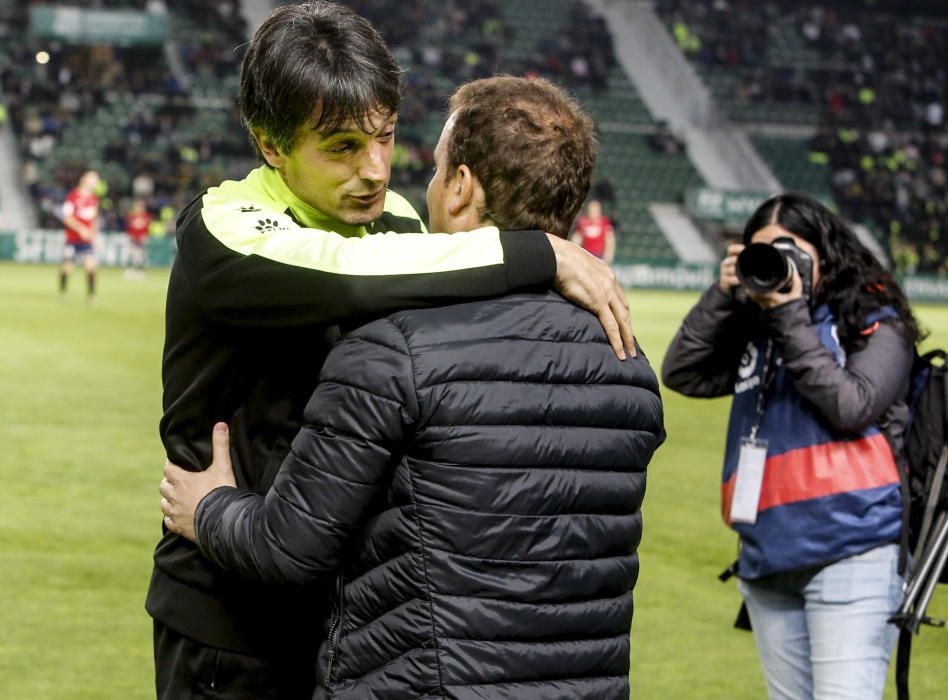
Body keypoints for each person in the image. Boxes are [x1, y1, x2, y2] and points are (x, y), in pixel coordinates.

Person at [147, 3, 634, 699]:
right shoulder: (226, 227)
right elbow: (345, 280)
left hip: (356, 614)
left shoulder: (399, 221)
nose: (376, 170)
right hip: (228, 608)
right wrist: (539, 251)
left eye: (386, 137)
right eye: (343, 146)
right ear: (271, 146)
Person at [661, 193, 923, 700]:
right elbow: (683, 371)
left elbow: (851, 405)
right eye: (763, 251)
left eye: (791, 250)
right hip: (768, 555)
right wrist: (724, 292)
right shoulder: (755, 323)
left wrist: (791, 316)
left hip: (853, 549)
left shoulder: (874, 319)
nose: (777, 261)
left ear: (825, 253)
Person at [59, 170, 100, 302]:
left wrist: (94, 236)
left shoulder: (94, 199)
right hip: (72, 239)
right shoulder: (72, 197)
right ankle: (62, 293)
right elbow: (66, 217)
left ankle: (91, 296)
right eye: (93, 178)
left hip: (86, 241)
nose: (95, 181)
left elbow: (94, 221)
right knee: (67, 268)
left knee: (90, 266)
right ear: (84, 180)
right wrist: (81, 229)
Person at [571, 198, 616, 263]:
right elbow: (576, 239)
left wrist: (607, 258)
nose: (592, 212)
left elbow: (610, 241)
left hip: (599, 256)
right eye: (591, 210)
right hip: (586, 254)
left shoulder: (604, 223)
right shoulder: (582, 222)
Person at [125, 197, 152, 279]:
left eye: (140, 206)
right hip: (133, 238)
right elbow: (129, 227)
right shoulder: (131, 215)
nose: (139, 207)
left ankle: (140, 270)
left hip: (141, 238)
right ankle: (132, 269)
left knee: (141, 255)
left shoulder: (146, 216)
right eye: (137, 206)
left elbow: (147, 227)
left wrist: (146, 236)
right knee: (132, 254)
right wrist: (130, 236)